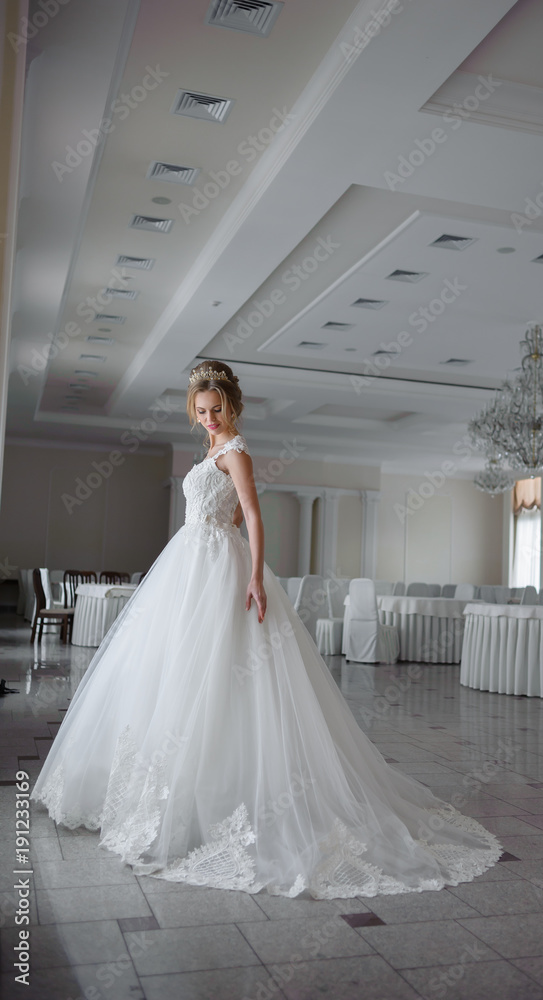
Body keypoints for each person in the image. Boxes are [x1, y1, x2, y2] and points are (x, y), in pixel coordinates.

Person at [31, 360, 501, 898]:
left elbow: (253, 515)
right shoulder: (210, 450)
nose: (209, 418)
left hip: (221, 567)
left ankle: (212, 800)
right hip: (191, 563)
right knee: (172, 670)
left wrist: (252, 576)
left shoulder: (236, 451)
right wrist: (214, 537)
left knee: (226, 671)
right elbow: (225, 513)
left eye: (217, 410)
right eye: (201, 411)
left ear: (233, 406)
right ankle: (166, 792)